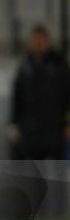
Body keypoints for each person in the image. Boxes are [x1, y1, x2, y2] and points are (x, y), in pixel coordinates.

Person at [9, 24, 70, 159]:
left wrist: (67, 124)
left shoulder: (59, 64)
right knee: (34, 170)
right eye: (35, 40)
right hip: (31, 130)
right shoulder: (25, 66)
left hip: (55, 128)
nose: (38, 43)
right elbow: (17, 97)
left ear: (47, 41)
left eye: (41, 40)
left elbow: (67, 95)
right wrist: (14, 123)